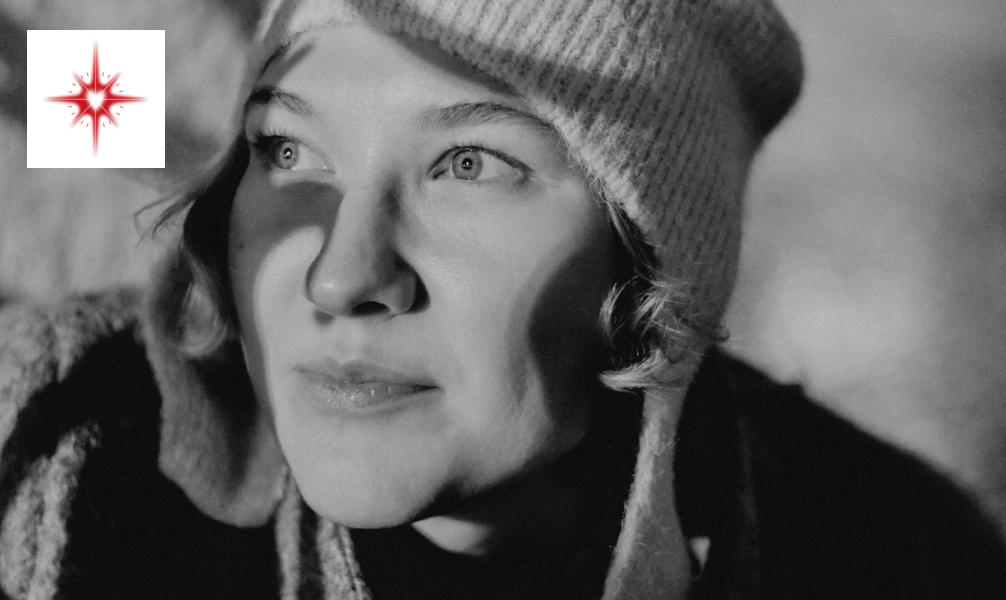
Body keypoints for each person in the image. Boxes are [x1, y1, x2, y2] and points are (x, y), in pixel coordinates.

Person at [2, 0, 1005, 598]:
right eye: (286, 148)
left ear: (650, 259)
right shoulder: (49, 456)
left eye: (469, 164)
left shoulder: (902, 556)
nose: (340, 277)